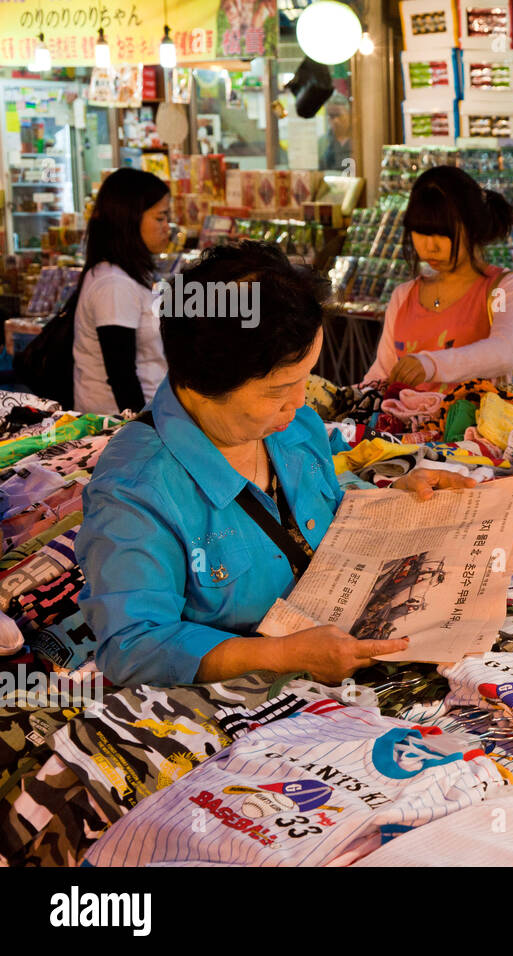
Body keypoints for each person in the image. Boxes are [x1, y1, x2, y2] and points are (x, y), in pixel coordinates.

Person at [76, 242, 472, 688]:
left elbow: (317, 522)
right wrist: (280, 655)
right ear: (204, 381)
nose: (301, 402)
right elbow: (132, 647)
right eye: (279, 388)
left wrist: (393, 503)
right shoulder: (135, 490)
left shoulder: (293, 426)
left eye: (306, 378)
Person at [363, 165, 513, 388]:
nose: (430, 246)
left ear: (472, 227)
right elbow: (383, 373)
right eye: (421, 232)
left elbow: (503, 352)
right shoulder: (404, 296)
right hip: (407, 421)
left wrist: (430, 364)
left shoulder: (502, 289)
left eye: (443, 234)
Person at [70, 167, 171, 415]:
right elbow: (121, 375)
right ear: (129, 219)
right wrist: (144, 427)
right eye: (160, 218)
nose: (167, 227)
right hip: (118, 426)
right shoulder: (114, 284)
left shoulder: (128, 276)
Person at [319, 96, 353, 171]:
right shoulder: (322, 143)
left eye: (339, 115)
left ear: (349, 116)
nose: (335, 121)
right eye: (331, 116)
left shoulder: (358, 140)